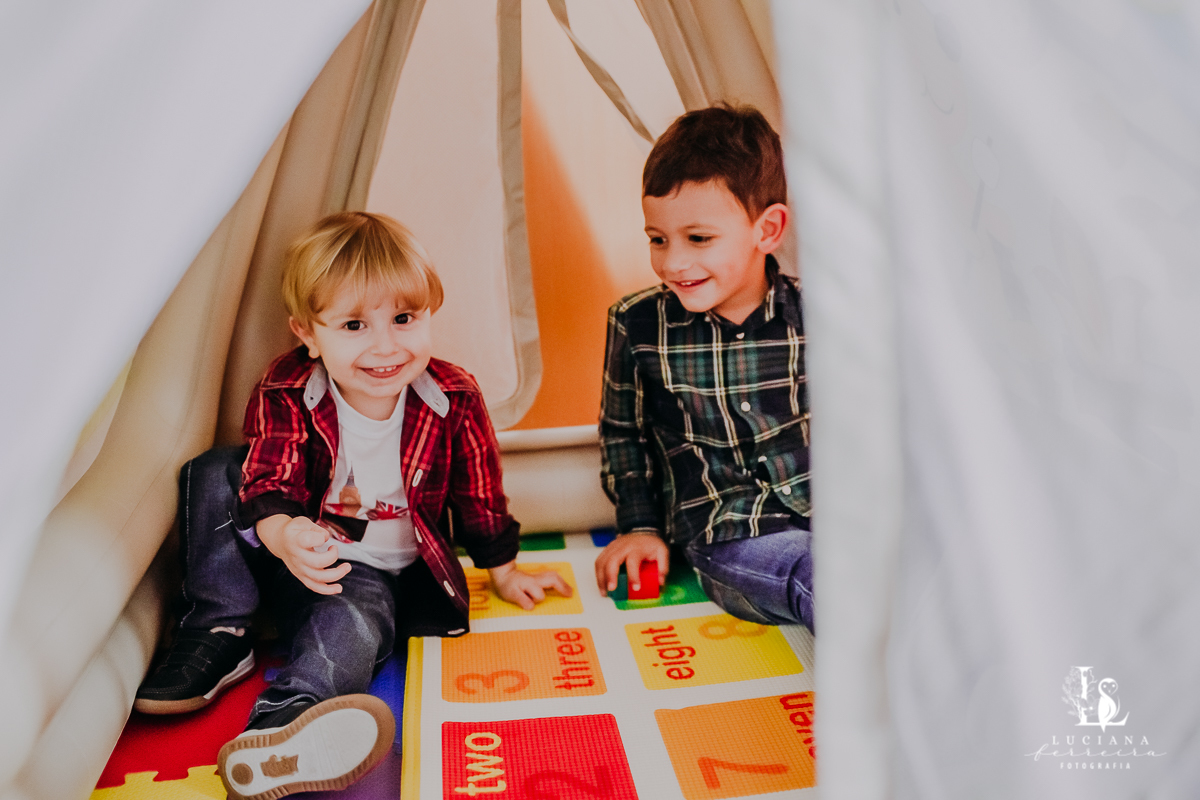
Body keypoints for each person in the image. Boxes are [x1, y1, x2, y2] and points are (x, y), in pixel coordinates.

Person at [134, 212, 570, 800]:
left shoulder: (453, 397)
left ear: (429, 314)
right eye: (355, 325)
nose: (386, 345)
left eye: (404, 319)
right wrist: (285, 534)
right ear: (309, 334)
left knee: (349, 625)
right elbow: (269, 476)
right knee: (214, 470)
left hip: (361, 575)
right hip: (282, 551)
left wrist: (505, 568)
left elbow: (479, 490)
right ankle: (220, 629)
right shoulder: (286, 386)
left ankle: (280, 730)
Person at [593, 105, 813, 631]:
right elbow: (623, 435)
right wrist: (639, 526)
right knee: (817, 572)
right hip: (733, 534)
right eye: (657, 239)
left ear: (768, 230)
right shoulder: (637, 323)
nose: (672, 262)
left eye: (698, 239)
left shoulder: (819, 313)